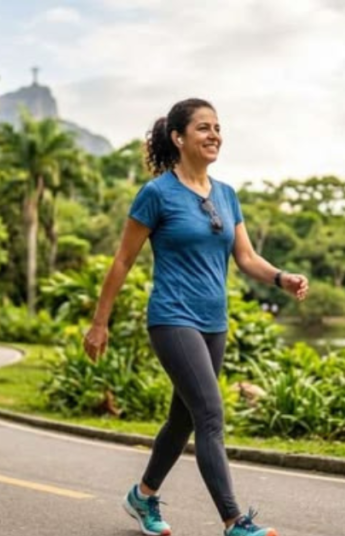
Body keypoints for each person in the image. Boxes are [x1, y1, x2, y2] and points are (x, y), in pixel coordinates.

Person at [84, 98, 308, 536]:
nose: (214, 135)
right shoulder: (157, 194)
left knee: (184, 418)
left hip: (213, 322)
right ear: (178, 137)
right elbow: (122, 260)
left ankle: (142, 496)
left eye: (217, 128)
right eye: (204, 127)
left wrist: (281, 278)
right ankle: (234, 521)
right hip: (172, 317)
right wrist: (99, 322)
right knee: (209, 413)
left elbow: (246, 257)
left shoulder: (226, 195)